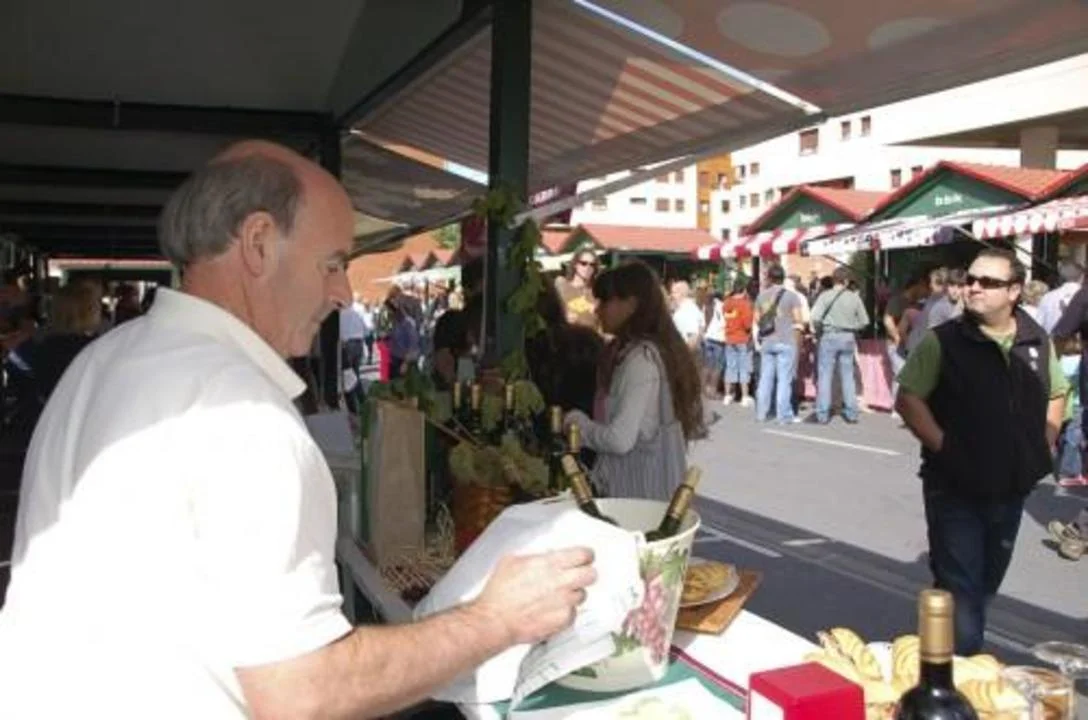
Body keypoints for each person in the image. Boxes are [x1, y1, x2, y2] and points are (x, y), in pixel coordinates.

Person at [0, 141, 596, 719]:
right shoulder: (244, 414)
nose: (343, 293)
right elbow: (302, 694)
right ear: (258, 243)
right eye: (333, 263)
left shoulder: (102, 358)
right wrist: (495, 619)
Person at [895, 248, 1066, 655]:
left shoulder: (1036, 340)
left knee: (985, 583)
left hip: (1011, 487)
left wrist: (1043, 442)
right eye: (970, 279)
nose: (973, 287)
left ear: (1014, 291)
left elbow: (1058, 392)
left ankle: (939, 655)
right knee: (963, 589)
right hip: (955, 487)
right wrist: (946, 448)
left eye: (987, 282)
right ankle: (961, 674)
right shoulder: (943, 340)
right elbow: (909, 398)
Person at [564, 261, 705, 501]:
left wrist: (576, 423)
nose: (597, 310)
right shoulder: (651, 351)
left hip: (636, 497)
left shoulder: (641, 359)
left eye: (605, 301)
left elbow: (620, 440)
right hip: (649, 491)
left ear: (630, 304)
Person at [810, 267, 870, 424]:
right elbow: (864, 321)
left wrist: (821, 328)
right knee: (848, 375)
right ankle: (851, 413)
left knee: (825, 375)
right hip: (848, 337)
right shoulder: (854, 298)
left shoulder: (825, 296)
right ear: (846, 281)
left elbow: (815, 317)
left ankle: (822, 413)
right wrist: (852, 326)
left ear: (834, 280)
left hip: (829, 335)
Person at [754, 264, 804, 424]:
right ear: (783, 277)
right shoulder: (792, 296)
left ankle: (761, 413)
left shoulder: (761, 296)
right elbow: (798, 319)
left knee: (765, 378)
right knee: (784, 380)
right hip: (786, 340)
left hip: (768, 340)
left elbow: (757, 319)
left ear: (769, 278)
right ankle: (783, 416)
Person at [721, 280, 754, 406]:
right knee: (744, 368)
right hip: (742, 338)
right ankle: (744, 397)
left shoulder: (726, 303)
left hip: (729, 337)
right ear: (744, 290)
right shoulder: (745, 304)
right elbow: (747, 324)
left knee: (730, 367)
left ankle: (727, 395)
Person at [555, 248, 600, 330]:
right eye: (584, 263)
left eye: (592, 265)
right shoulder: (562, 285)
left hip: (589, 335)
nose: (588, 267)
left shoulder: (596, 293)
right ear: (575, 264)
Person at [1037, 259, 1083, 333]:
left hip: (1052, 338)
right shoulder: (1084, 296)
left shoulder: (1048, 297)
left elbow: (1039, 325)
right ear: (1081, 277)